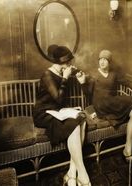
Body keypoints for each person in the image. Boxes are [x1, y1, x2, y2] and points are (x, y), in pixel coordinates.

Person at [76, 49, 132, 160]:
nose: (102, 62)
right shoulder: (93, 74)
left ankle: (128, 150)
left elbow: (127, 83)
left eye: (105, 60)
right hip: (101, 105)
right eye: (100, 59)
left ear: (110, 62)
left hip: (112, 103)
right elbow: (88, 95)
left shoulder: (113, 74)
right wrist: (82, 82)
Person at [32, 45, 91, 186]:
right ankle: (82, 176)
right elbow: (58, 99)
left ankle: (71, 173)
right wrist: (65, 78)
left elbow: (82, 76)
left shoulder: (63, 71)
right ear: (58, 63)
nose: (70, 65)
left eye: (70, 62)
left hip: (57, 111)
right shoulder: (47, 75)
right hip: (44, 113)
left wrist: (81, 78)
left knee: (82, 118)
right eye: (67, 62)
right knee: (74, 126)